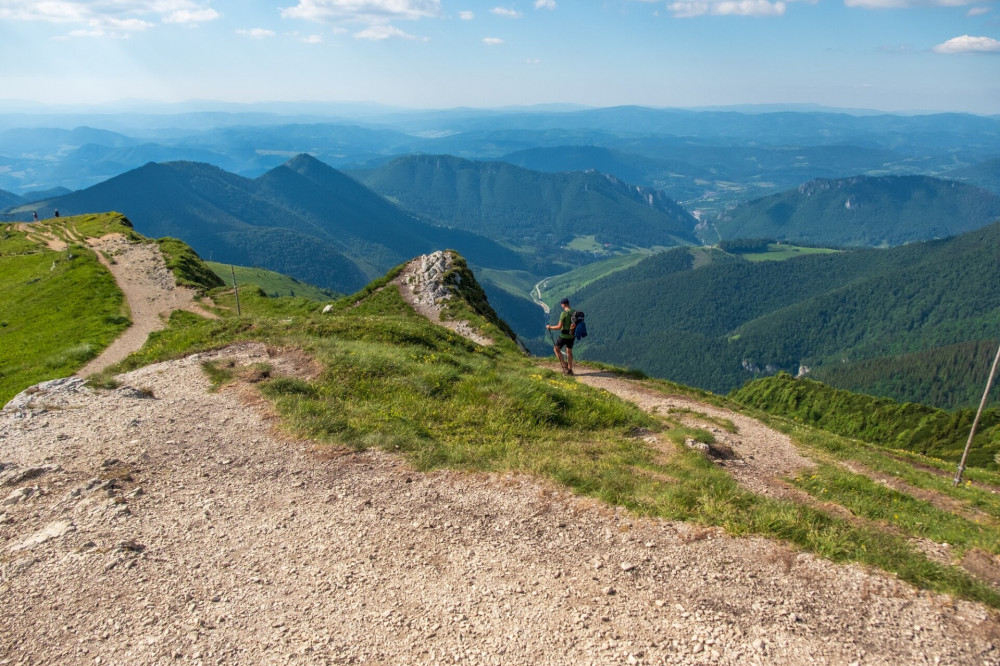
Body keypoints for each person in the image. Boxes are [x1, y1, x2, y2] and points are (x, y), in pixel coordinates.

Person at [546, 297, 576, 375]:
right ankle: (570, 369)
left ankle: (564, 366)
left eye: (561, 304)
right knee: (569, 351)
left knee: (556, 349)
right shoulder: (574, 312)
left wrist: (550, 327)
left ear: (563, 304)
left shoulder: (564, 313)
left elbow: (559, 327)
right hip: (572, 335)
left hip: (564, 336)